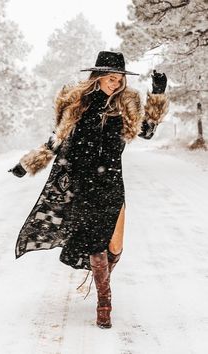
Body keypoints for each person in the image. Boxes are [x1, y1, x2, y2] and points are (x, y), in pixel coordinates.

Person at [9, 51, 168, 329]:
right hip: (84, 184)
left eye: (119, 79)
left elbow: (147, 131)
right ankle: (104, 303)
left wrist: (157, 94)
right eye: (110, 78)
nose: (115, 83)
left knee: (115, 245)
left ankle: (102, 275)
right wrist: (27, 164)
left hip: (112, 183)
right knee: (96, 243)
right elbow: (56, 140)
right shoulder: (78, 104)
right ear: (98, 77)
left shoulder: (127, 104)